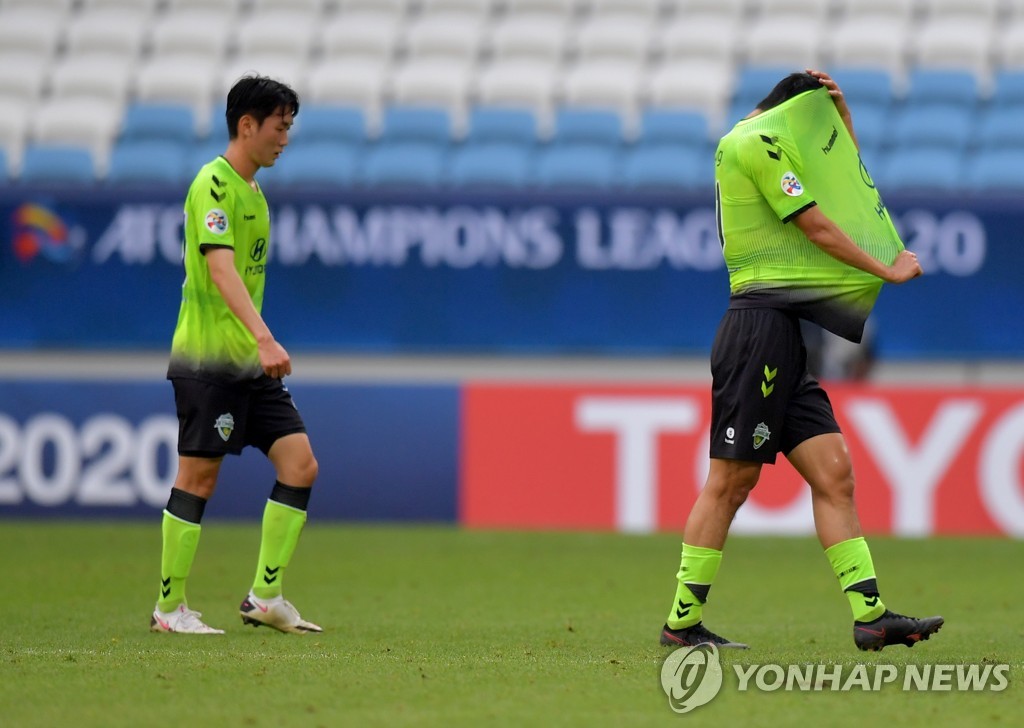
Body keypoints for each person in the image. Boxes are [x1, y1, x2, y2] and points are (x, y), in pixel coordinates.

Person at [660, 70, 943, 652]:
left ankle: (870, 617)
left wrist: (845, 123)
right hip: (757, 328)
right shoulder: (754, 143)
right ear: (791, 112)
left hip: (783, 335)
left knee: (834, 474)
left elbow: (846, 189)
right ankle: (681, 624)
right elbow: (817, 224)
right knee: (731, 482)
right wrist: (886, 270)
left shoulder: (768, 144)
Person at [150, 75, 321, 635]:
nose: (285, 139)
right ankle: (168, 609)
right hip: (208, 363)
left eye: (289, 128)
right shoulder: (214, 185)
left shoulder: (253, 194)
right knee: (198, 479)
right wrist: (266, 337)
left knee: (300, 465)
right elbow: (221, 269)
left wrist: (258, 346)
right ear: (247, 125)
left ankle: (264, 598)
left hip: (250, 366)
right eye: (280, 126)